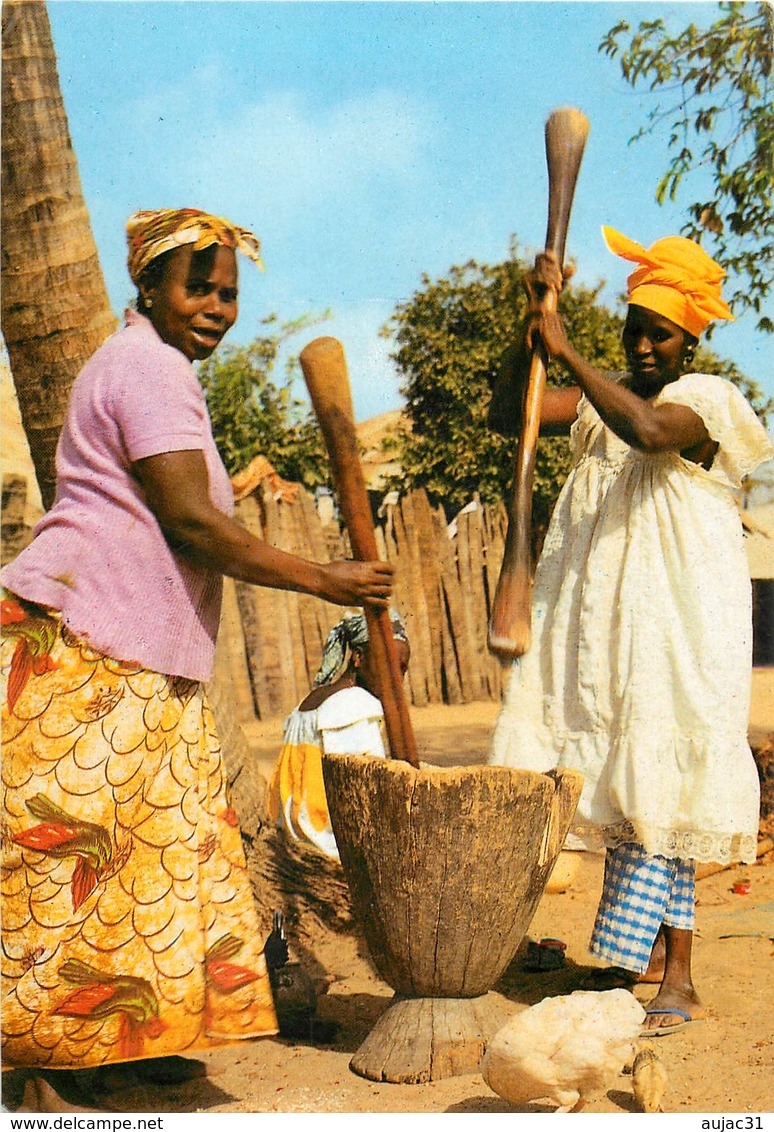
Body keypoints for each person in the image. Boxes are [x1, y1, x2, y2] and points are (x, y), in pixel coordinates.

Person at [0, 208, 394, 1111]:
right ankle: (47, 1065)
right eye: (199, 287)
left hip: (122, 646)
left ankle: (115, 1043)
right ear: (149, 287)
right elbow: (190, 518)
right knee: (74, 858)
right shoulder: (149, 367)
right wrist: (324, 579)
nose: (217, 306)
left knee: (138, 858)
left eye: (229, 293)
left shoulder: (149, 364)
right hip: (87, 642)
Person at [487, 227, 774, 1036]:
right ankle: (638, 955)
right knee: (620, 767)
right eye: (635, 332)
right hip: (606, 621)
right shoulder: (597, 399)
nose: (645, 347)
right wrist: (532, 325)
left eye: (661, 334)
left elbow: (649, 432)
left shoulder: (710, 401)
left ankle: (678, 975)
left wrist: (567, 347)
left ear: (693, 337)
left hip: (680, 623)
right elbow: (512, 411)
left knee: (668, 772)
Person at [267, 610, 410, 859]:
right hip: (330, 849)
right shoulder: (355, 705)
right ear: (358, 657)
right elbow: (371, 796)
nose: (396, 678)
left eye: (402, 668)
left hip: (296, 843)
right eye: (386, 664)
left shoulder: (310, 701)